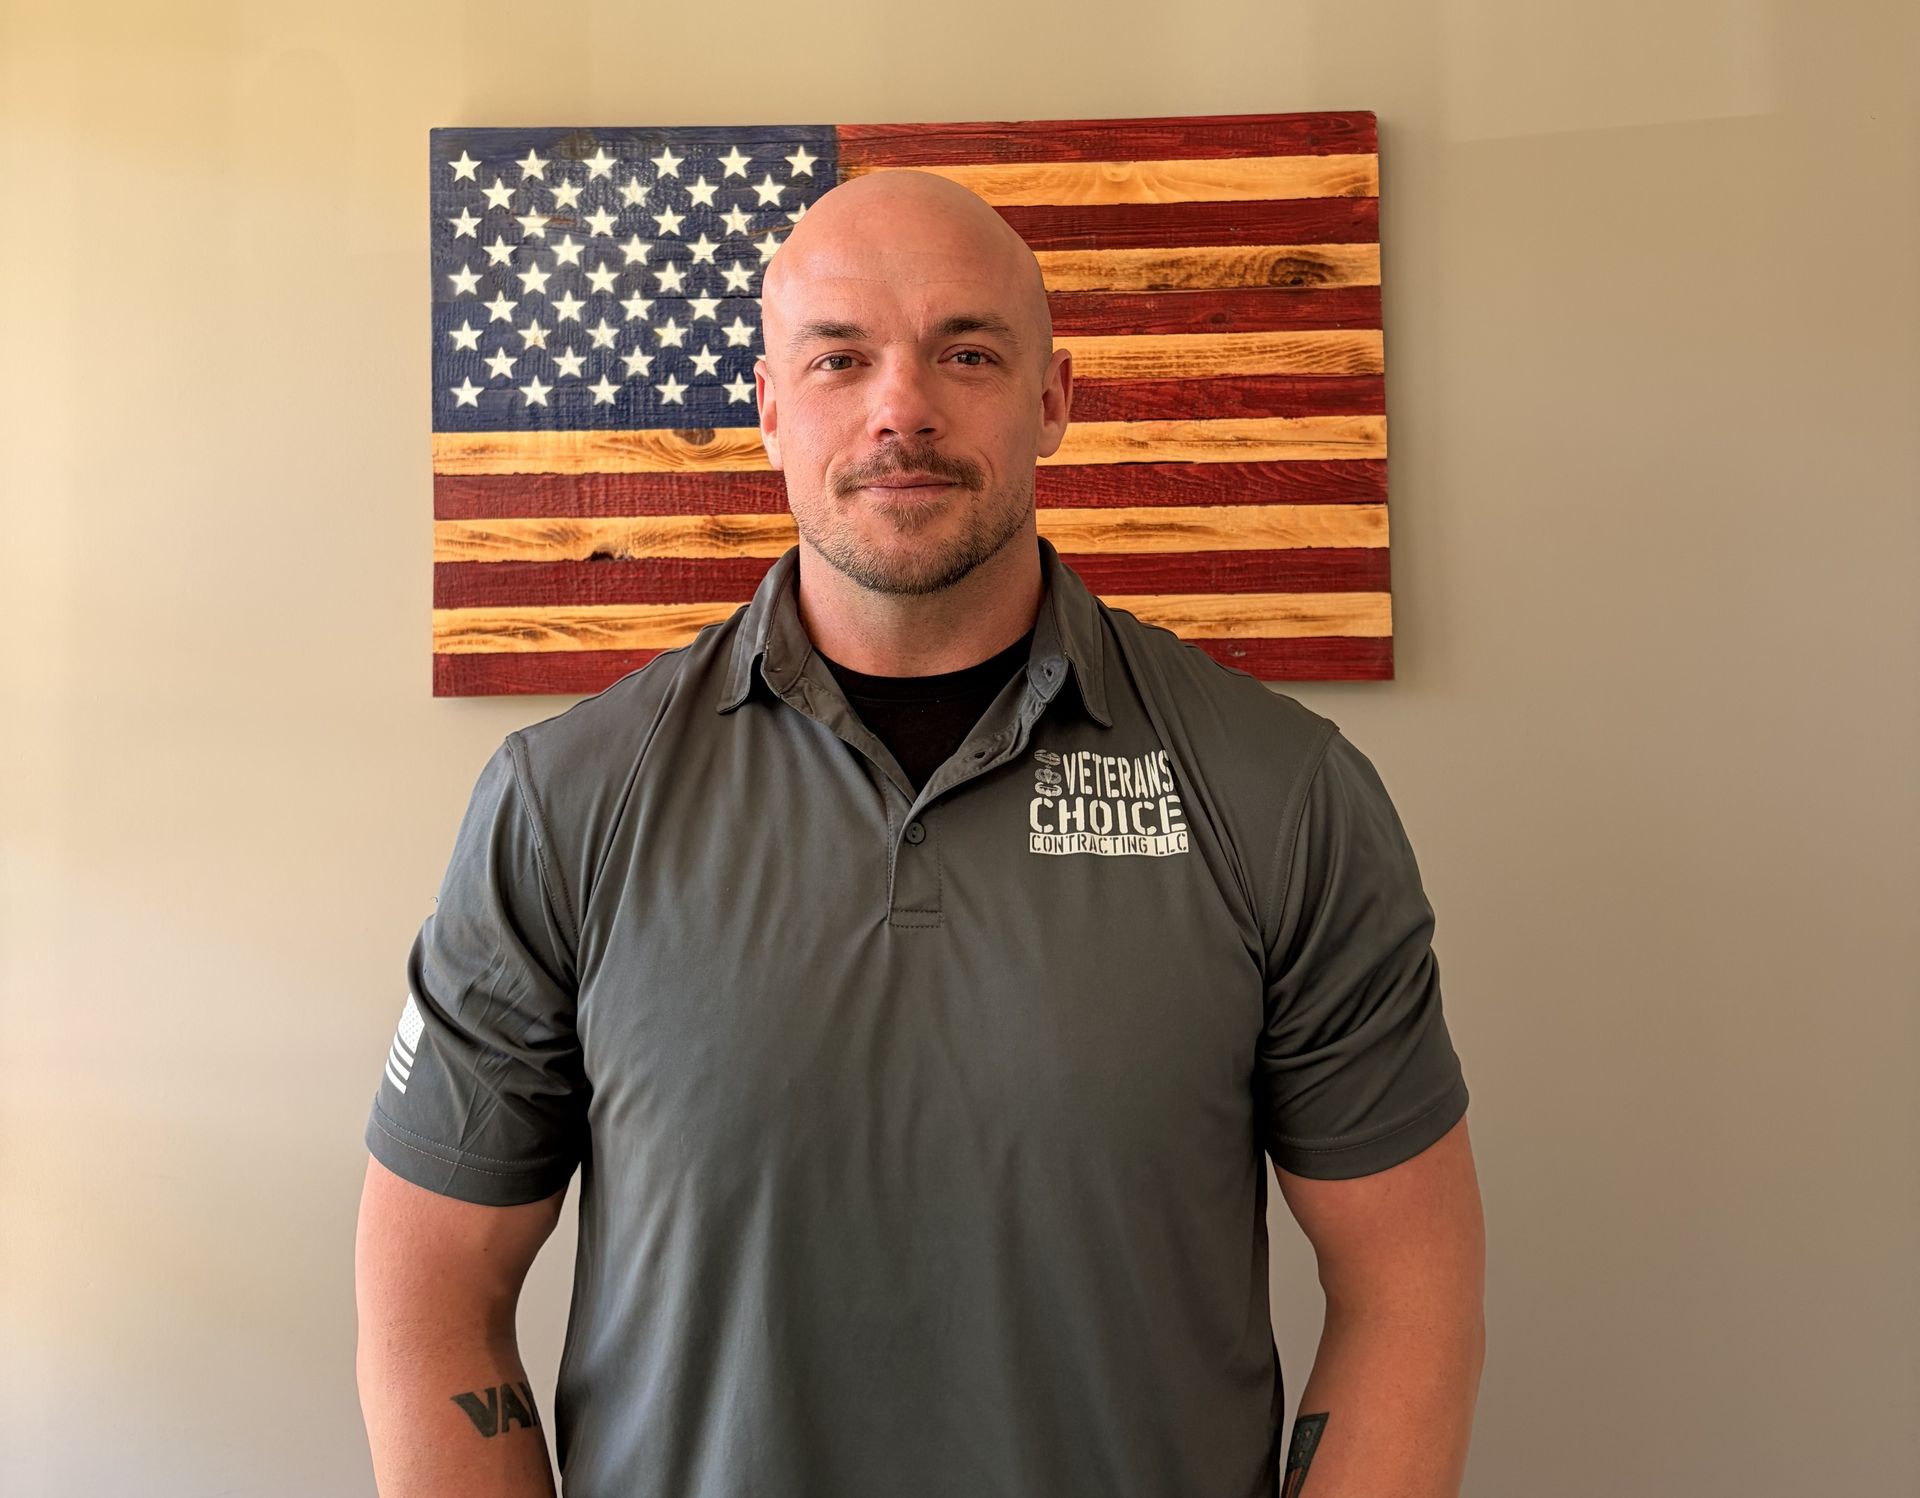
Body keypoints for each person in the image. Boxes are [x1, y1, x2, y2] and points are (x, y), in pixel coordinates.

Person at [355, 168, 1485, 1498]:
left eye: (967, 352)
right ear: (770, 409)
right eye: (840, 358)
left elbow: (1409, 1291)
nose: (903, 408)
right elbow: (430, 1297)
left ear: (1053, 398)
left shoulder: (1281, 794)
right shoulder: (565, 804)